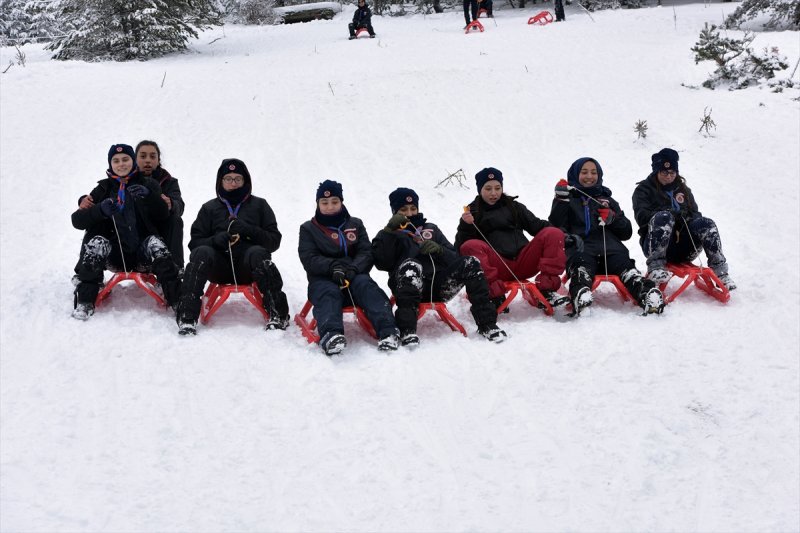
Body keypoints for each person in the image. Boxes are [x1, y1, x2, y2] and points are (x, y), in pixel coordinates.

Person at [372, 187, 507, 345]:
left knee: (470, 262)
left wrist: (439, 250)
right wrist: (388, 232)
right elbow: (381, 263)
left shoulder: (431, 229)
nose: (409, 213)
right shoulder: (389, 233)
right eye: (403, 209)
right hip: (408, 287)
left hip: (439, 286)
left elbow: (455, 258)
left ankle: (487, 324)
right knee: (412, 265)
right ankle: (407, 330)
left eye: (413, 208)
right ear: (394, 211)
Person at [174, 158, 290, 335]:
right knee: (202, 253)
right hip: (218, 267)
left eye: (238, 179)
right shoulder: (209, 208)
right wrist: (215, 240)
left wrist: (249, 230)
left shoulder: (260, 205)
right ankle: (187, 316)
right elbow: (194, 244)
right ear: (220, 181)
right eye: (228, 178)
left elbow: (274, 241)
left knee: (259, 253)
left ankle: (278, 314)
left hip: (248, 267)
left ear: (246, 181)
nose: (233, 183)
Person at [71, 144, 181, 320]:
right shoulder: (104, 188)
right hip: (115, 255)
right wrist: (99, 210)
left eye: (125, 159)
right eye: (116, 161)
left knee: (155, 243)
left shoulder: (149, 184)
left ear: (132, 161)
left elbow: (163, 215)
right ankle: (85, 300)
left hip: (142, 255)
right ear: (110, 164)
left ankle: (177, 299)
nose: (121, 164)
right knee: (98, 241)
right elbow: (77, 221)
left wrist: (149, 196)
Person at [549, 157, 665, 315]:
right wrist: (560, 200)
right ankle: (580, 295)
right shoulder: (567, 199)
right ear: (575, 174)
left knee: (628, 270)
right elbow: (556, 226)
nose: (589, 176)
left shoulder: (607, 200)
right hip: (582, 250)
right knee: (581, 269)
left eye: (593, 172)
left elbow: (627, 232)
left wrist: (613, 219)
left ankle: (647, 294)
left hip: (612, 250)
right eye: (584, 172)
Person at [298, 180, 400, 355]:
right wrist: (332, 267)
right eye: (325, 203)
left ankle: (389, 331)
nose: (330, 207)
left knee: (367, 287)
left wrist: (353, 268)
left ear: (342, 202)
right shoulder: (308, 229)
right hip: (324, 277)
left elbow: (366, 252)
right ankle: (331, 335)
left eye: (334, 202)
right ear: (318, 204)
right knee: (327, 293)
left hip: (354, 275)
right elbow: (309, 258)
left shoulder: (355, 224)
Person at [454, 167, 570, 311]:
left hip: (523, 262)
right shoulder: (473, 212)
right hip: (497, 267)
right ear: (480, 189)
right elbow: (460, 248)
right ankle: (493, 294)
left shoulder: (514, 207)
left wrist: (565, 236)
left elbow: (538, 226)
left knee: (553, 233)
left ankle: (547, 290)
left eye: (497, 188)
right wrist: (466, 226)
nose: (493, 193)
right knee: (471, 245)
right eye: (488, 188)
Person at [632, 148, 736, 290]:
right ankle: (656, 268)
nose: (669, 176)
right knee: (664, 217)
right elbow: (641, 217)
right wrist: (668, 214)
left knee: (706, 223)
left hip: (685, 247)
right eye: (664, 172)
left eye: (672, 173)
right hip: (655, 245)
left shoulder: (683, 190)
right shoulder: (643, 190)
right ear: (657, 171)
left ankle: (720, 272)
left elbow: (695, 214)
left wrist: (685, 216)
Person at [75, 140, 185, 272]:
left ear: (158, 159)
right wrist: (90, 204)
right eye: (143, 156)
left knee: (175, 220)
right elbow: (80, 217)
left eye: (152, 156)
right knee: (97, 221)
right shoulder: (109, 185)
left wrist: (170, 204)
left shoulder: (167, 181)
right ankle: (85, 273)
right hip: (120, 241)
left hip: (154, 235)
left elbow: (177, 206)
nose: (148, 160)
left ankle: (174, 269)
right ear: (135, 159)